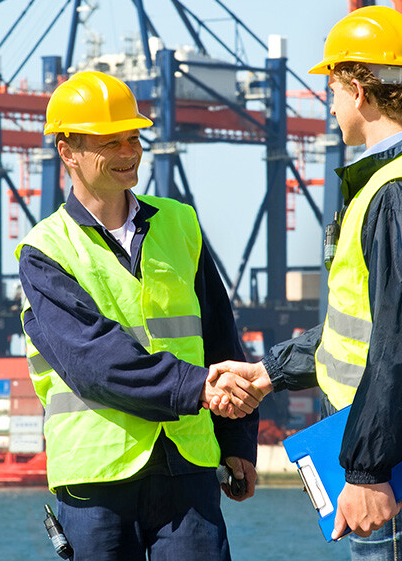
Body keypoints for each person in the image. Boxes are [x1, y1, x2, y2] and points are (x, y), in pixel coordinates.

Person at [209, 6, 402, 559]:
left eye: (334, 90)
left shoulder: (393, 194)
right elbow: (367, 331)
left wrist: (367, 472)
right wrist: (271, 371)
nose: (333, 105)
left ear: (359, 91)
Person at [15, 70, 263, 561]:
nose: (129, 152)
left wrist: (238, 439)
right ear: (68, 152)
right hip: (97, 476)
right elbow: (94, 361)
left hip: (187, 462)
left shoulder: (180, 222)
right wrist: (199, 389)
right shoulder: (44, 251)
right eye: (112, 142)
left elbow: (220, 337)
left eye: (134, 137)